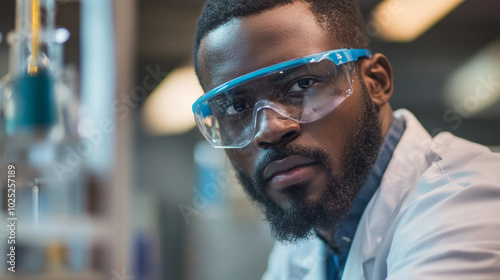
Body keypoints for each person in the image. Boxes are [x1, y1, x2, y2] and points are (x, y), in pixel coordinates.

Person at [190, 0, 500, 279]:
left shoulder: (466, 202)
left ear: (376, 82)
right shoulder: (309, 241)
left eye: (302, 83)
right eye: (236, 106)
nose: (269, 130)